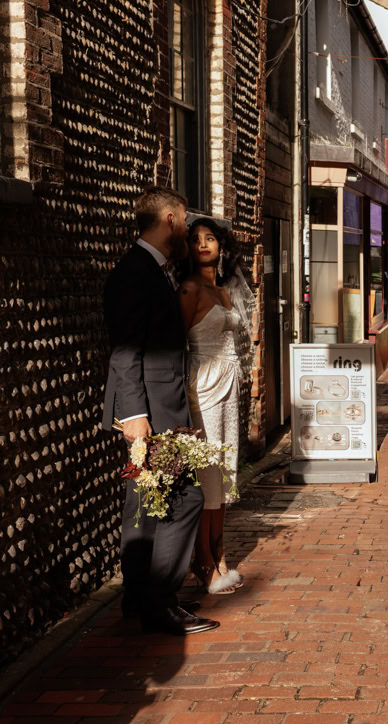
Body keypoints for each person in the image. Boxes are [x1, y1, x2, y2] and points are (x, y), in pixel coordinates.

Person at [101, 186, 219, 635]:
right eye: (185, 220)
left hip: (159, 405)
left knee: (144, 502)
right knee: (185, 497)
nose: (189, 229)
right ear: (168, 219)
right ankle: (160, 601)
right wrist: (134, 413)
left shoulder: (155, 269)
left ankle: (139, 597)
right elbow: (125, 349)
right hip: (149, 410)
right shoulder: (136, 272)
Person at [178, 218, 254, 594]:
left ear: (222, 246)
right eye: (195, 239)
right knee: (207, 474)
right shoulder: (189, 289)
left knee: (224, 470)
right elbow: (174, 343)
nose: (203, 244)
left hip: (228, 387)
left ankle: (220, 553)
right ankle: (203, 561)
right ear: (187, 247)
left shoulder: (225, 290)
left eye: (210, 238)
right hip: (202, 387)